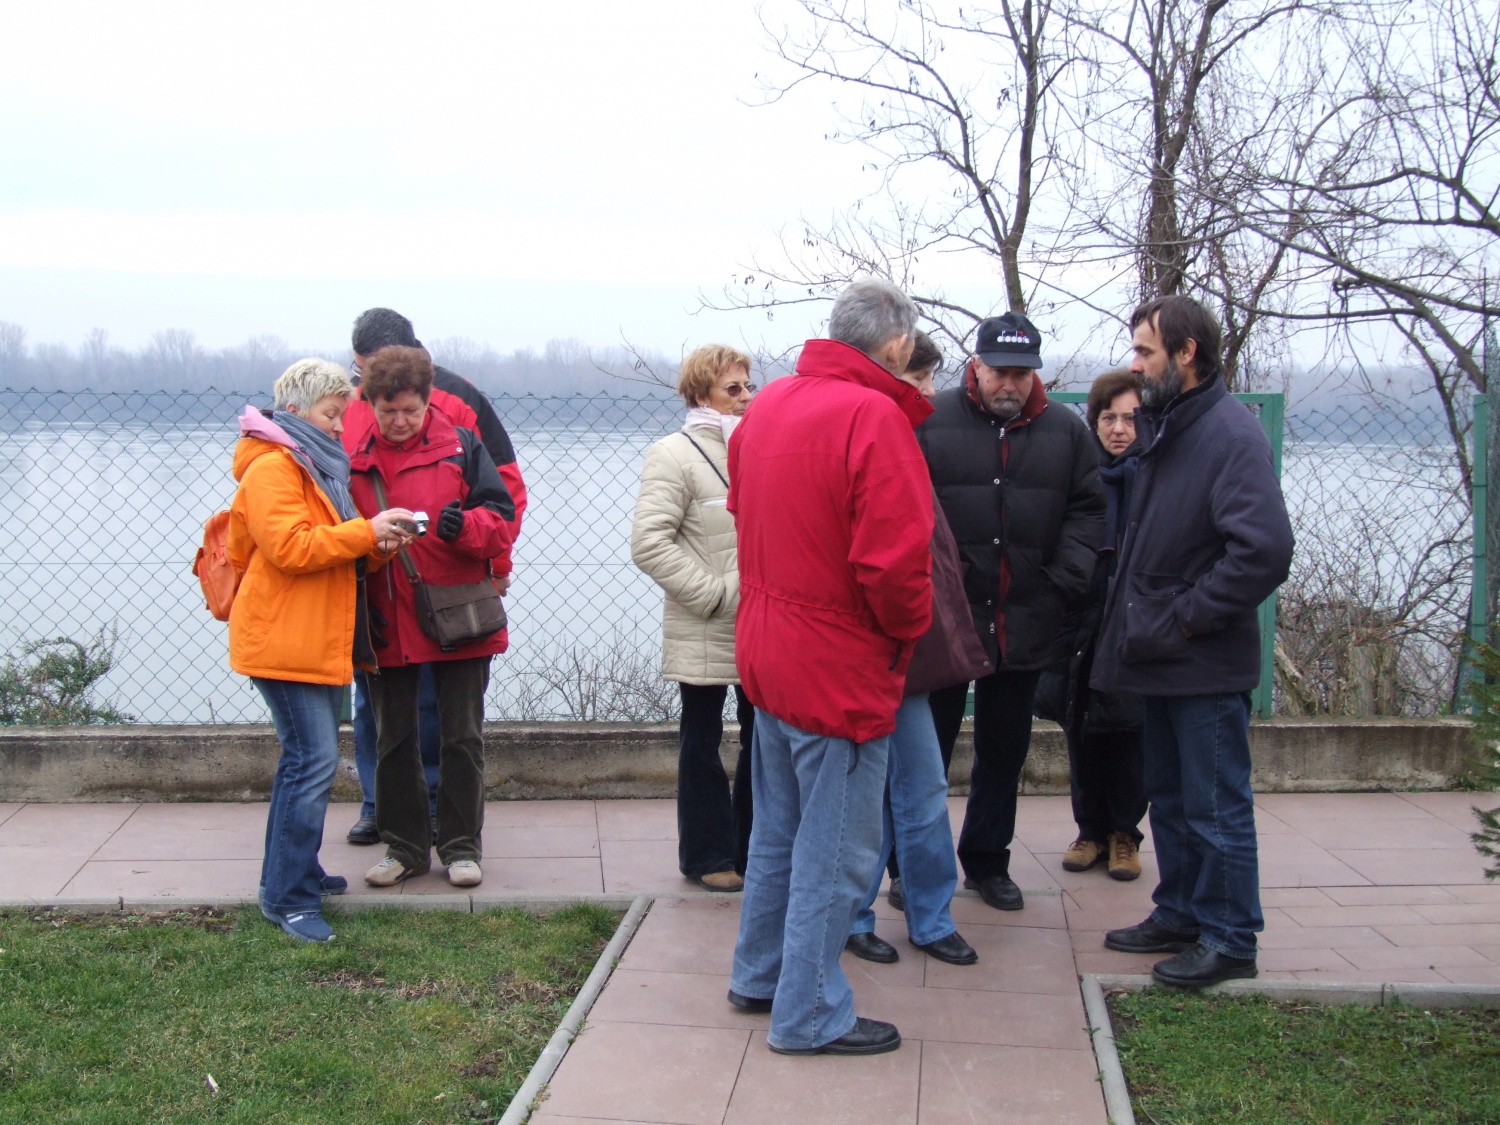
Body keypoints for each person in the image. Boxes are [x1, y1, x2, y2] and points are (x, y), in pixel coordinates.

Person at [728, 279, 935, 1058]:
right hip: (837, 667)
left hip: (771, 650)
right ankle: (809, 1009)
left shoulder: (772, 403)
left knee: (779, 829)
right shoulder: (875, 417)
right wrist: (907, 635)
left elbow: (745, 513)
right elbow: (895, 564)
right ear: (894, 347)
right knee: (840, 847)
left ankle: (762, 973)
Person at [1094, 295, 1293, 988]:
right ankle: (1180, 910)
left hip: (1201, 660)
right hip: (1161, 657)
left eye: (1145, 350)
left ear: (1186, 353)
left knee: (1215, 804)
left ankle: (1232, 936)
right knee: (1172, 799)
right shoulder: (1168, 427)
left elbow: (1264, 550)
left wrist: (1185, 616)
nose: (1134, 363)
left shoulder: (1229, 435)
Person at [918, 312, 1104, 912]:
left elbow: (1090, 511)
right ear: (975, 365)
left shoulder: (1068, 433)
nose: (1010, 384)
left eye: (1022, 373)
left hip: (1024, 620)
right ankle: (913, 867)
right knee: (927, 754)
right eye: (1000, 370)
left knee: (1005, 751)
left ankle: (988, 862)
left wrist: (1060, 584)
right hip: (944, 623)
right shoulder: (930, 421)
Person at [227, 358, 416, 941]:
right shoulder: (272, 470)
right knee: (310, 765)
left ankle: (294, 873)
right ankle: (288, 899)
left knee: (303, 764)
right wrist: (367, 530)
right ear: (297, 411)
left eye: (342, 416)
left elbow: (340, 551)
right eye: (332, 415)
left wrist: (380, 540)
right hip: (286, 641)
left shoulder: (313, 466)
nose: (340, 427)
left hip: (314, 638)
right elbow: (291, 548)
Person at [342, 308, 528, 847]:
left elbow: (505, 497)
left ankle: (448, 828)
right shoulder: (351, 416)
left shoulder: (462, 412)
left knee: (453, 727)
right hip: (382, 600)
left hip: (452, 600)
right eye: (380, 400)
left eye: (409, 407)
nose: (397, 417)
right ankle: (384, 812)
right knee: (380, 718)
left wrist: (493, 564)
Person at [846, 331, 991, 968]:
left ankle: (930, 916)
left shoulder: (904, 431)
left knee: (922, 788)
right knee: (866, 797)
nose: (933, 390)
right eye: (922, 377)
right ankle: (855, 915)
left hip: (908, 653)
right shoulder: (869, 430)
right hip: (870, 651)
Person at [631, 345, 757, 892]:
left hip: (763, 625)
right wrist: (714, 594)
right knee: (702, 742)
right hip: (706, 623)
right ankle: (708, 857)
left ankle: (754, 851)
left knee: (764, 742)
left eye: (749, 386)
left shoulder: (762, 446)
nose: (746, 397)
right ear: (700, 392)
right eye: (733, 389)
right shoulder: (673, 455)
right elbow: (649, 542)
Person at [1034, 369, 1147, 881]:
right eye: (1108, 418)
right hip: (1079, 623)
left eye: (1130, 419)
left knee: (1129, 731)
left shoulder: (1153, 479)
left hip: (1132, 627)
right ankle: (1090, 830)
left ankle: (1125, 834)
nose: (1119, 429)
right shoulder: (1083, 478)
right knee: (1081, 729)